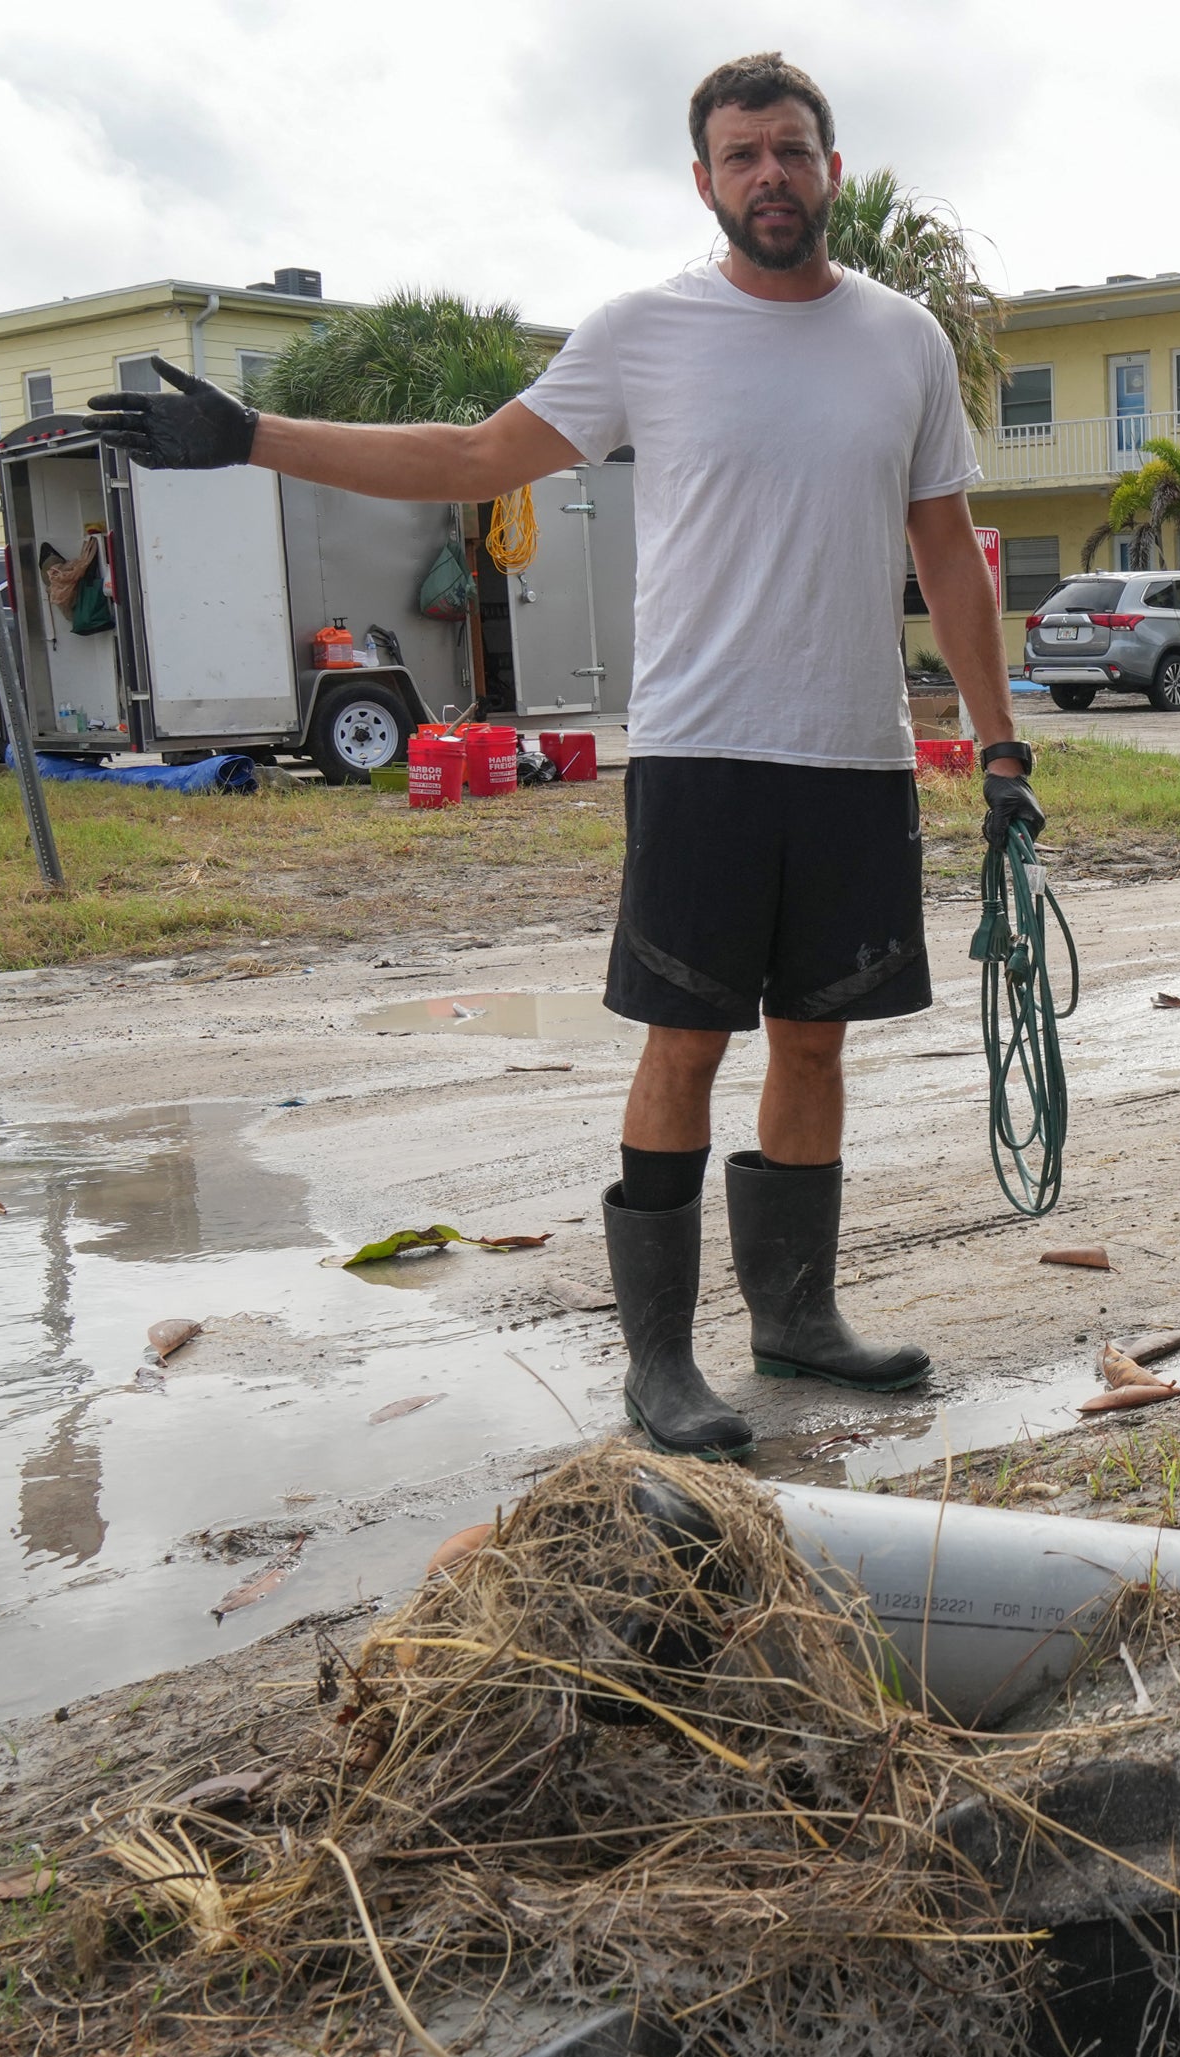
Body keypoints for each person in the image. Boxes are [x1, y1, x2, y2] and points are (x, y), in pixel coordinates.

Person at [83, 52, 1038, 1459]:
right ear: (702, 182)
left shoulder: (904, 343)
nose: (768, 175)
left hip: (857, 755)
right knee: (687, 1038)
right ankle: (661, 1362)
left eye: (789, 150)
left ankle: (797, 1318)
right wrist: (254, 439)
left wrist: (1001, 740)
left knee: (818, 1041)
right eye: (740, 156)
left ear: (828, 168)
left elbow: (945, 551)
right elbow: (475, 457)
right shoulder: (646, 332)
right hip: (706, 750)